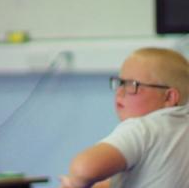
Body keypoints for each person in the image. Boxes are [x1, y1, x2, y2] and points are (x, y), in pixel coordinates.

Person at [60, 47, 189, 188]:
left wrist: (74, 184)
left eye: (132, 85)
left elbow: (83, 170)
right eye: (120, 83)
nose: (120, 92)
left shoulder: (142, 128)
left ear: (169, 97)